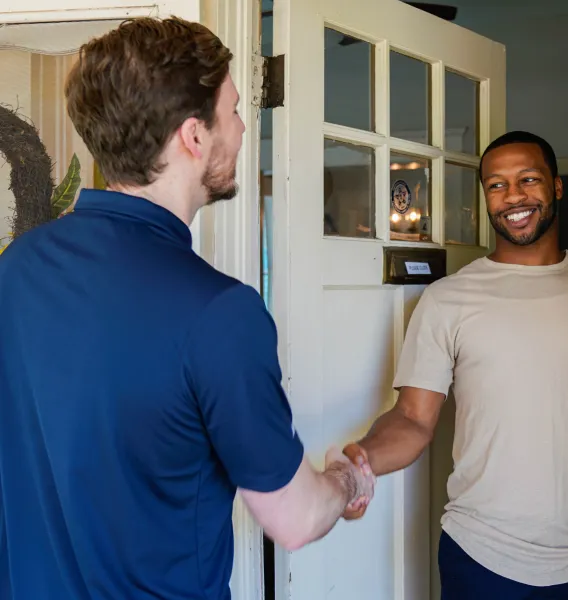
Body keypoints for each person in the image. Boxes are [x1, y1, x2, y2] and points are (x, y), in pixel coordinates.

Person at [0, 17, 373, 600]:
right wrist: (347, 478)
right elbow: (294, 519)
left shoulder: (17, 267)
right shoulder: (222, 314)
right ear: (194, 137)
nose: (244, 127)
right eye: (233, 109)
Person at [341, 131, 568, 598]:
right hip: (480, 552)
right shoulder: (447, 299)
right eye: (497, 185)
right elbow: (411, 418)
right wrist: (355, 468)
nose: (513, 197)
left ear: (556, 187)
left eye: (528, 179)